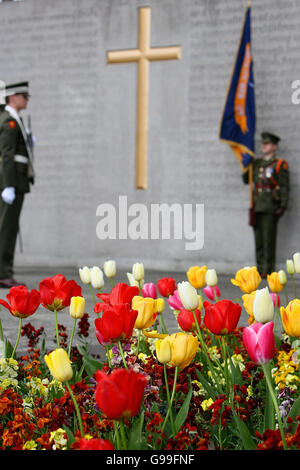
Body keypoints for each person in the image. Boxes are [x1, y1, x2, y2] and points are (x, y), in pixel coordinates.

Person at [0, 81, 34, 288]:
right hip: (11, 181)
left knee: (9, 227)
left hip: (17, 180)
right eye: (24, 95)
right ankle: (3, 273)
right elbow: (7, 156)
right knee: (7, 228)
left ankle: (4, 270)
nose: (27, 99)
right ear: (13, 97)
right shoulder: (9, 121)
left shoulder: (15, 119)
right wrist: (8, 185)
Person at [242, 132, 289, 278]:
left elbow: (284, 186)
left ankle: (268, 270)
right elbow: (246, 180)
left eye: (267, 144)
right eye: (263, 143)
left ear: (274, 146)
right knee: (259, 240)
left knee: (269, 240)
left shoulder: (280, 164)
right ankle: (260, 268)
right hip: (256, 206)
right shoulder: (256, 164)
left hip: (270, 206)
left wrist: (283, 205)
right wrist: (246, 164)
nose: (264, 146)